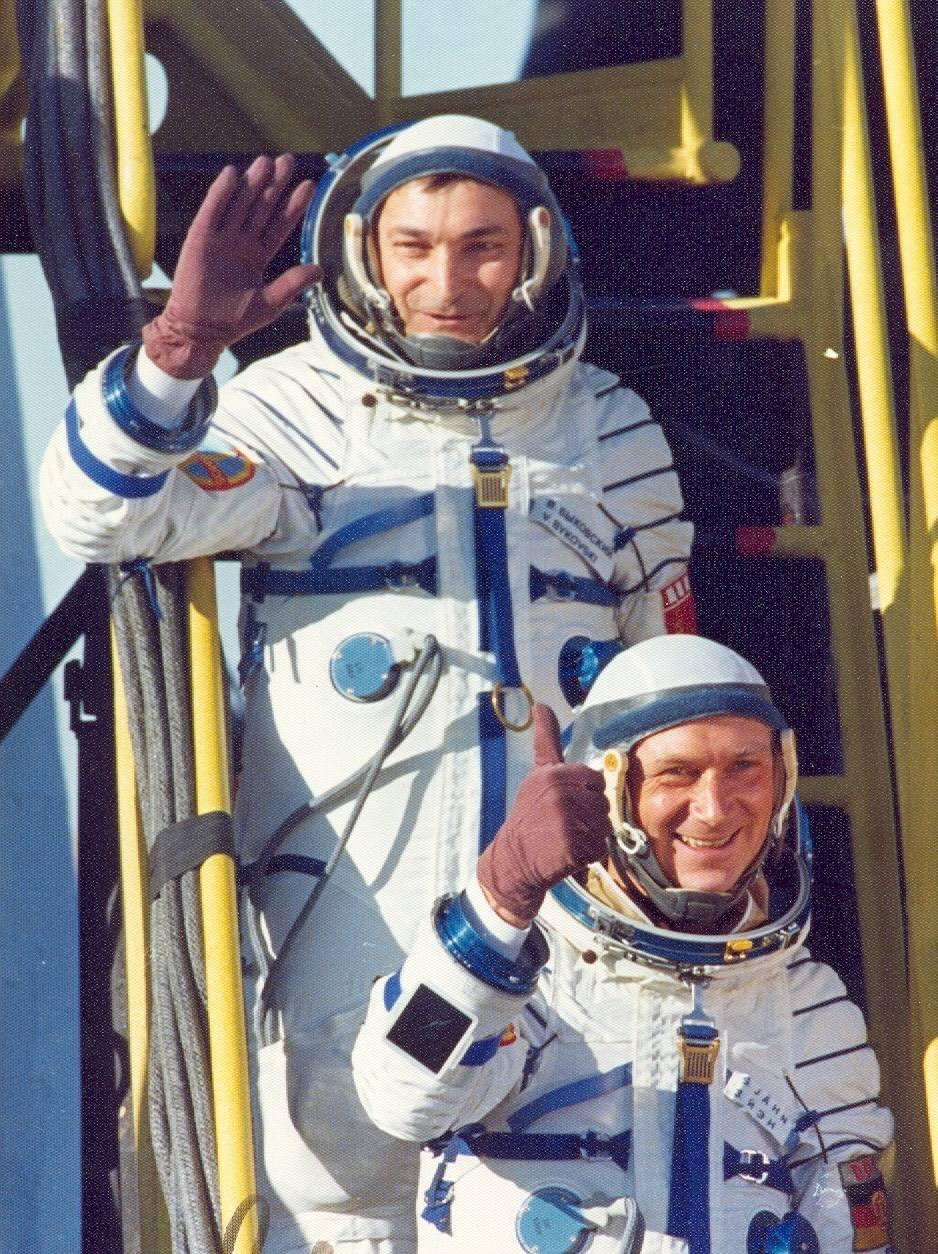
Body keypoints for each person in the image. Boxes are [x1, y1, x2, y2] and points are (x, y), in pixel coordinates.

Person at [40, 114, 695, 1252]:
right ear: (364, 251)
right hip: (348, 930)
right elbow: (98, 514)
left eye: (482, 246)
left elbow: (674, 708)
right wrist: (181, 350)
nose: (446, 282)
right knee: (342, 1193)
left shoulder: (610, 433)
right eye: (414, 247)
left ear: (534, 250)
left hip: (573, 947)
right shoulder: (294, 409)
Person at [352, 634, 895, 1254]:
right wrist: (499, 899)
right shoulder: (529, 972)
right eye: (676, 773)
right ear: (610, 793)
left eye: (745, 768)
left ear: (783, 780)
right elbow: (402, 1099)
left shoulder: (807, 1009)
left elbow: (850, 1231)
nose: (715, 809)